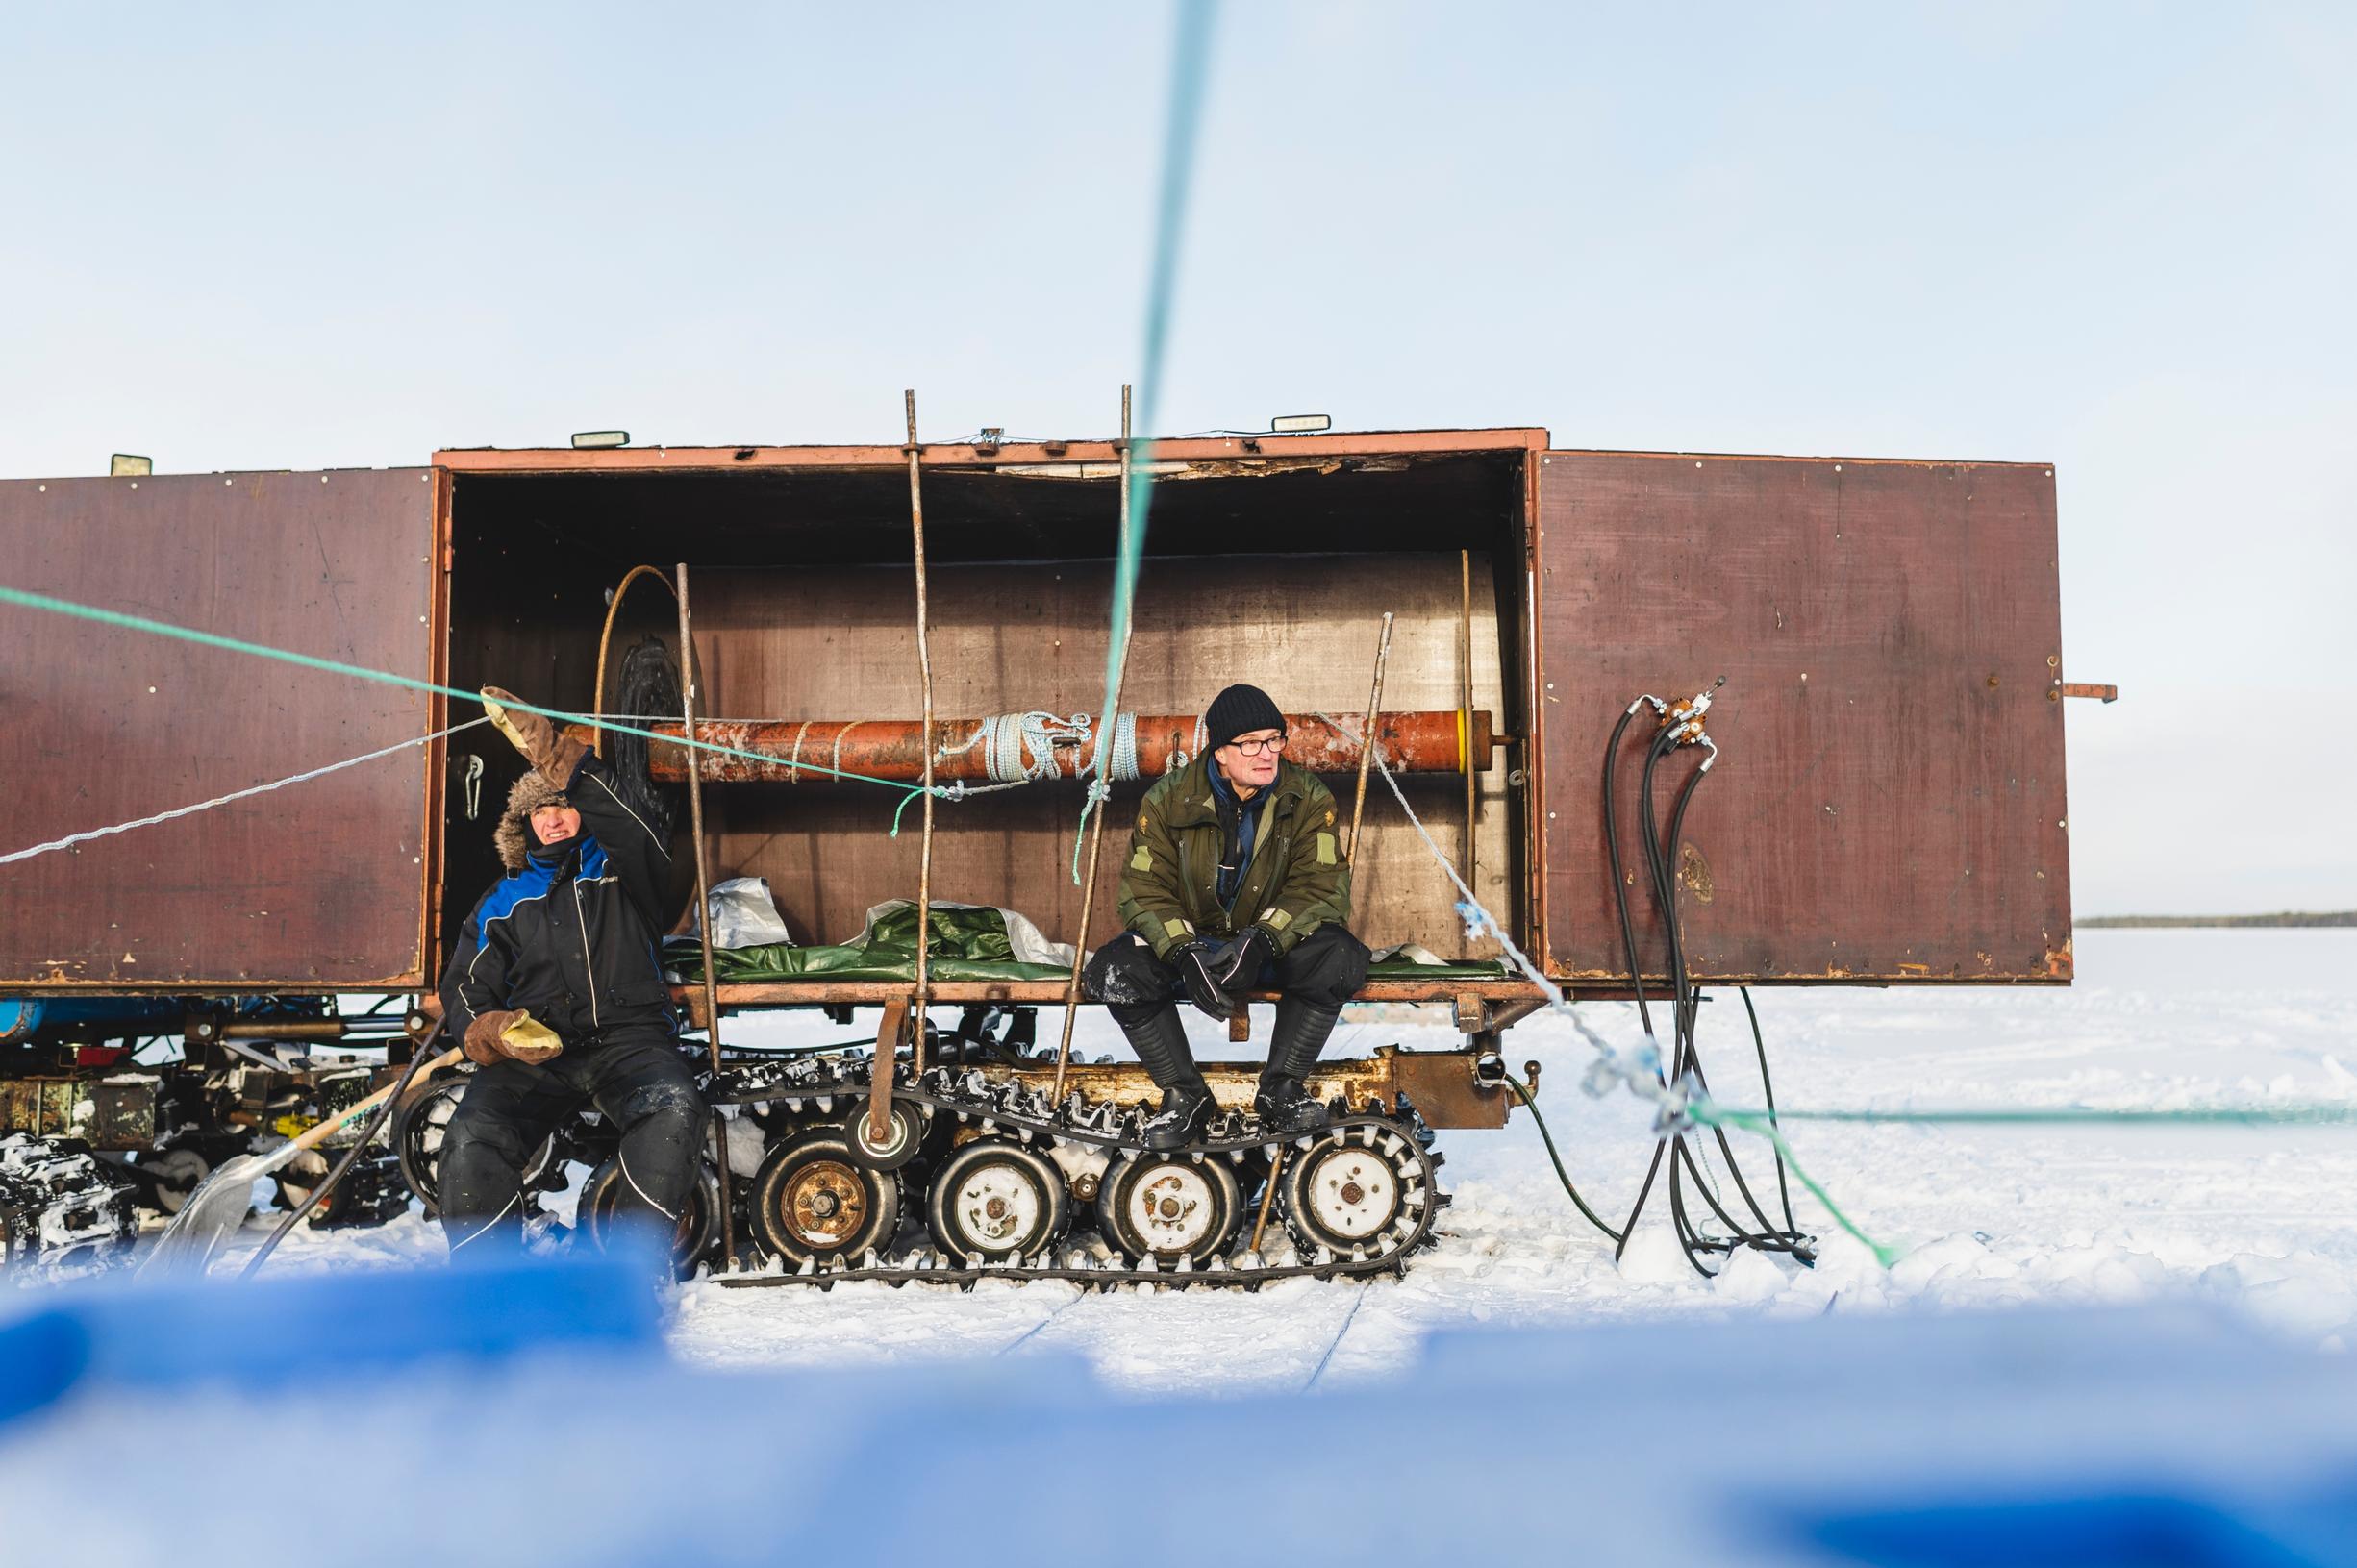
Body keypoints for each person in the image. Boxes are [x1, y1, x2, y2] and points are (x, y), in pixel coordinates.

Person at [436, 685, 708, 1263]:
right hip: (541, 1053)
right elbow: (464, 984)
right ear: (523, 821)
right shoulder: (502, 901)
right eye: (540, 809)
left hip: (630, 1041)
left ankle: (629, 1272)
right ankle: (491, 1283)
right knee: (469, 1138)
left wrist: (557, 754)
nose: (554, 819)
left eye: (563, 804)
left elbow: (626, 815)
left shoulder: (626, 866)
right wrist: (491, 1030)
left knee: (673, 1107)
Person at [1084, 683, 1368, 1150]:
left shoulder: (1307, 797)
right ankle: (1185, 1094)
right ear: (1219, 752)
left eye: (1275, 739)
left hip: (1272, 944)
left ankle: (1282, 1088)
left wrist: (1263, 940)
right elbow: (1144, 891)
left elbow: (1321, 888)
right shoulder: (1168, 800)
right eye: (1250, 743)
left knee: (1340, 956)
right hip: (1194, 946)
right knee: (1116, 969)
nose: (1267, 754)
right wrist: (1182, 950)